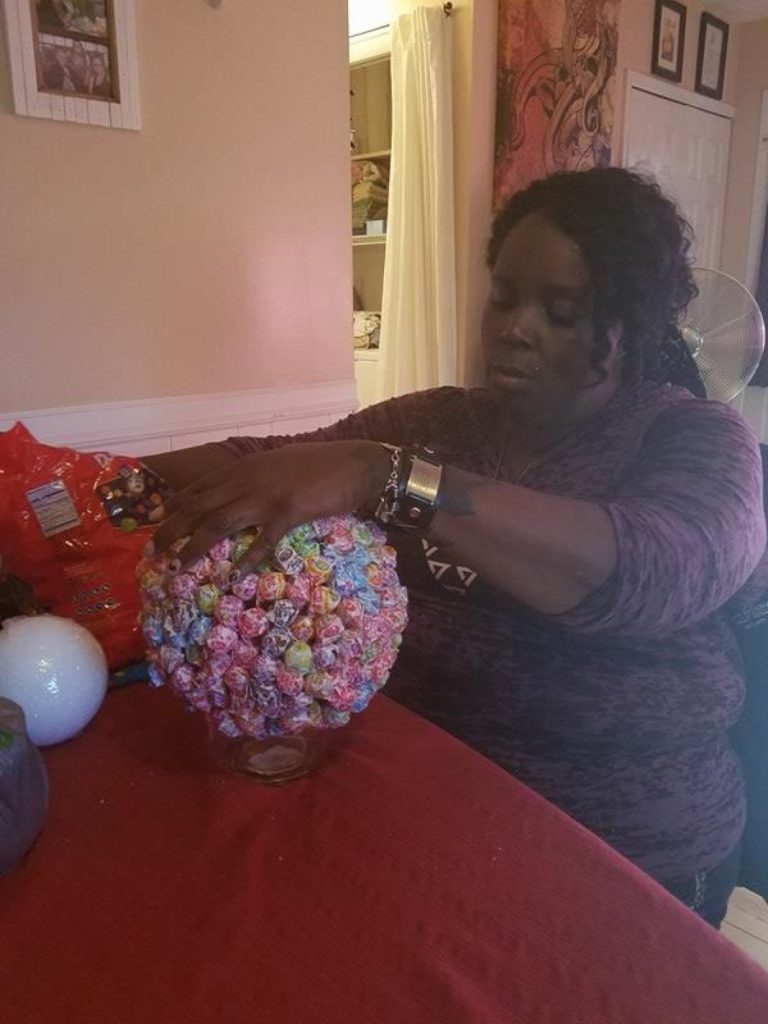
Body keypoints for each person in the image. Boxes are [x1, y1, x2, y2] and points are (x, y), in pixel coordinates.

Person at [148, 167, 766, 928]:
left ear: (625, 329)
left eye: (561, 310)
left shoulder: (697, 438)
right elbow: (264, 464)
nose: (515, 326)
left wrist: (394, 479)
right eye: (504, 297)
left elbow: (651, 569)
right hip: (426, 808)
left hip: (626, 858)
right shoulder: (438, 420)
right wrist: (80, 474)